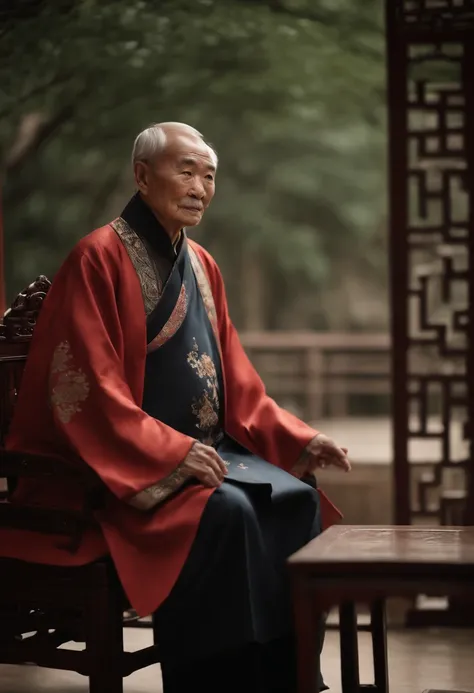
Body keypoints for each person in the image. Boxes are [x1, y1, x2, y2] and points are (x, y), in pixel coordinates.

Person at [4, 122, 350, 692]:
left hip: (203, 456)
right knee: (229, 513)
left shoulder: (203, 265)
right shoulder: (97, 258)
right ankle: (210, 681)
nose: (199, 186)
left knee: (296, 498)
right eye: (185, 171)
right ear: (142, 177)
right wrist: (169, 452)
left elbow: (235, 376)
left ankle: (278, 677)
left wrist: (296, 438)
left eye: (208, 175)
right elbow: (86, 389)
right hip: (119, 471)